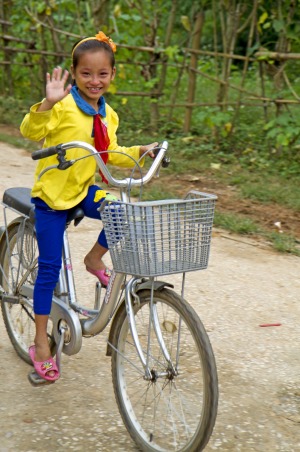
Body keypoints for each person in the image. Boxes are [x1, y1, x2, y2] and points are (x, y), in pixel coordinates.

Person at [20, 31, 157, 382]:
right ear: (75, 73)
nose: (94, 81)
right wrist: (47, 103)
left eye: (102, 74)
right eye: (86, 74)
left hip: (83, 190)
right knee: (49, 267)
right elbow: (31, 131)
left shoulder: (108, 114)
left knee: (123, 212)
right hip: (52, 198)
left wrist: (140, 150)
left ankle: (94, 259)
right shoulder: (63, 104)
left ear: (112, 75)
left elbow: (109, 154)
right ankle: (40, 341)